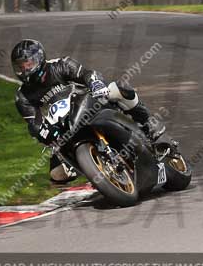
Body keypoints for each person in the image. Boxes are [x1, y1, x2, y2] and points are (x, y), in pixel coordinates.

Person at [11, 39, 166, 183]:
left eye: (28, 64)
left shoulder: (60, 64)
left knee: (118, 89)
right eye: (20, 67)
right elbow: (34, 123)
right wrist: (45, 133)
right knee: (57, 174)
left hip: (88, 103)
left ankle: (148, 123)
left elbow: (86, 74)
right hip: (63, 129)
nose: (24, 69)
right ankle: (97, 169)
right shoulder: (22, 96)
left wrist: (95, 83)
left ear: (39, 58)